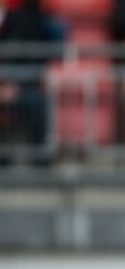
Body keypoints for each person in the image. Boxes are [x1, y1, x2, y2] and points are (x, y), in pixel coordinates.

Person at [0, 0, 63, 167]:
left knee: (36, 101)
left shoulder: (25, 18)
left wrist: (13, 83)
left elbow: (32, 57)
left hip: (18, 84)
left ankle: (41, 165)